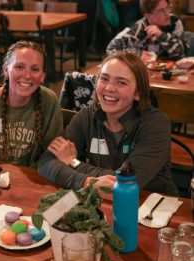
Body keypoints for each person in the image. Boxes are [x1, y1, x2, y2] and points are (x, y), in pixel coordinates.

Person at [38, 52, 178, 196]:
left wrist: (73, 163)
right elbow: (46, 162)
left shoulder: (156, 124)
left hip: (150, 206)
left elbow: (123, 186)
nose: (110, 88)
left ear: (138, 93)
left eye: (121, 82)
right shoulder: (87, 116)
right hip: (98, 200)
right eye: (104, 79)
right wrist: (86, 182)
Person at [107, 0, 185, 62]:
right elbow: (111, 49)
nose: (167, 13)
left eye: (167, 8)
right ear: (148, 15)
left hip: (172, 70)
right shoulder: (139, 28)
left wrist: (162, 35)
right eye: (161, 11)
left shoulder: (175, 22)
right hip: (148, 71)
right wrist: (137, 54)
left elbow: (179, 54)